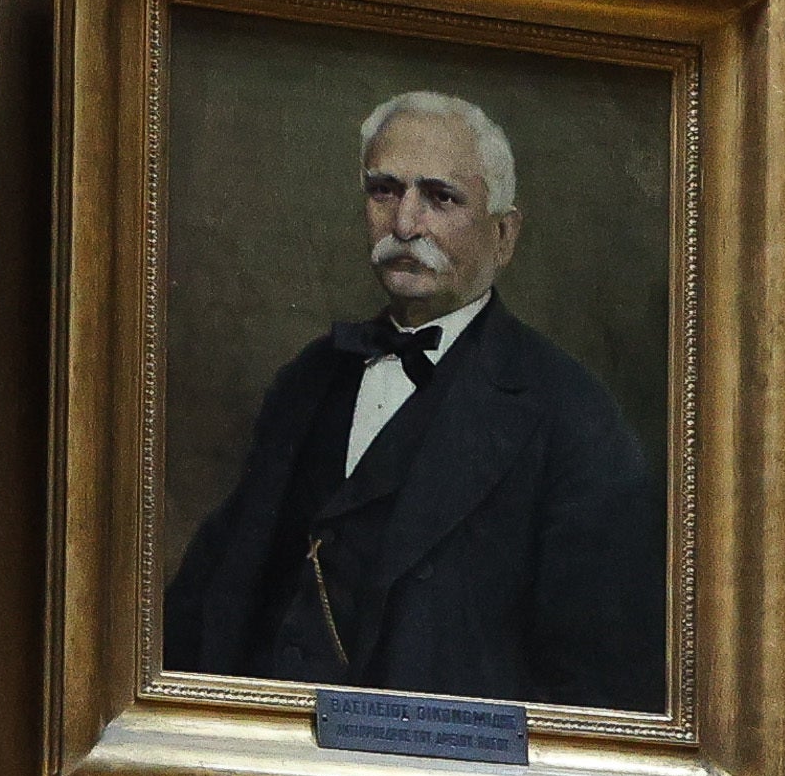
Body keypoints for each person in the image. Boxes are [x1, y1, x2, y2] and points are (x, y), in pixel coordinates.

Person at [165, 91, 665, 709]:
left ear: (503, 235)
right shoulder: (307, 379)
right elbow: (209, 600)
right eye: (384, 191)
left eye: (440, 197)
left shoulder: (572, 417)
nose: (404, 225)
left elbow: (600, 684)